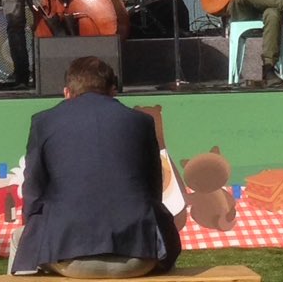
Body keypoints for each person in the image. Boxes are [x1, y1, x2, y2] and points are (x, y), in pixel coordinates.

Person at [10, 56, 181, 278]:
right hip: (140, 256)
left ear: (66, 92)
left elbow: (33, 189)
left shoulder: (44, 122)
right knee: (165, 240)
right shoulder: (142, 122)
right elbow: (153, 190)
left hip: (66, 254)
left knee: (20, 240)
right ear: (113, 91)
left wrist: (34, 232)